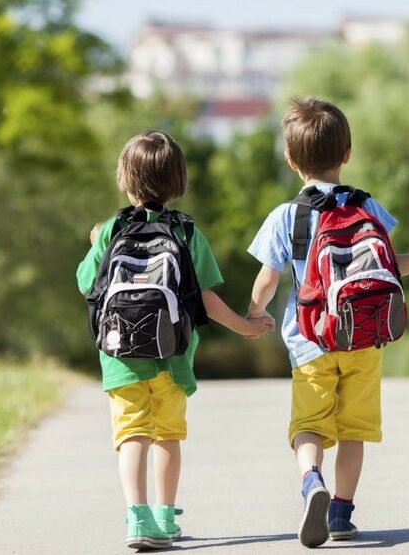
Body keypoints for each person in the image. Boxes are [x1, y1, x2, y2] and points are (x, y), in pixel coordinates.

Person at [246, 97, 409, 548]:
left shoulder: (287, 216)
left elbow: (267, 279)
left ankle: (311, 481)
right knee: (354, 430)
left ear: (290, 160)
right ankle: (341, 513)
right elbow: (391, 267)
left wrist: (255, 312)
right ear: (347, 154)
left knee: (309, 426)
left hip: (310, 342)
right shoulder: (367, 206)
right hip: (363, 336)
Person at [77, 130, 274, 551]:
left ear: (124, 178)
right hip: (173, 357)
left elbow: (85, 283)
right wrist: (245, 326)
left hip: (121, 358)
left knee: (132, 435)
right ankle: (165, 518)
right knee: (167, 435)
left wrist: (96, 244)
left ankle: (137, 518)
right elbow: (205, 298)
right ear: (178, 181)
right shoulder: (186, 232)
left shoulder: (112, 229)